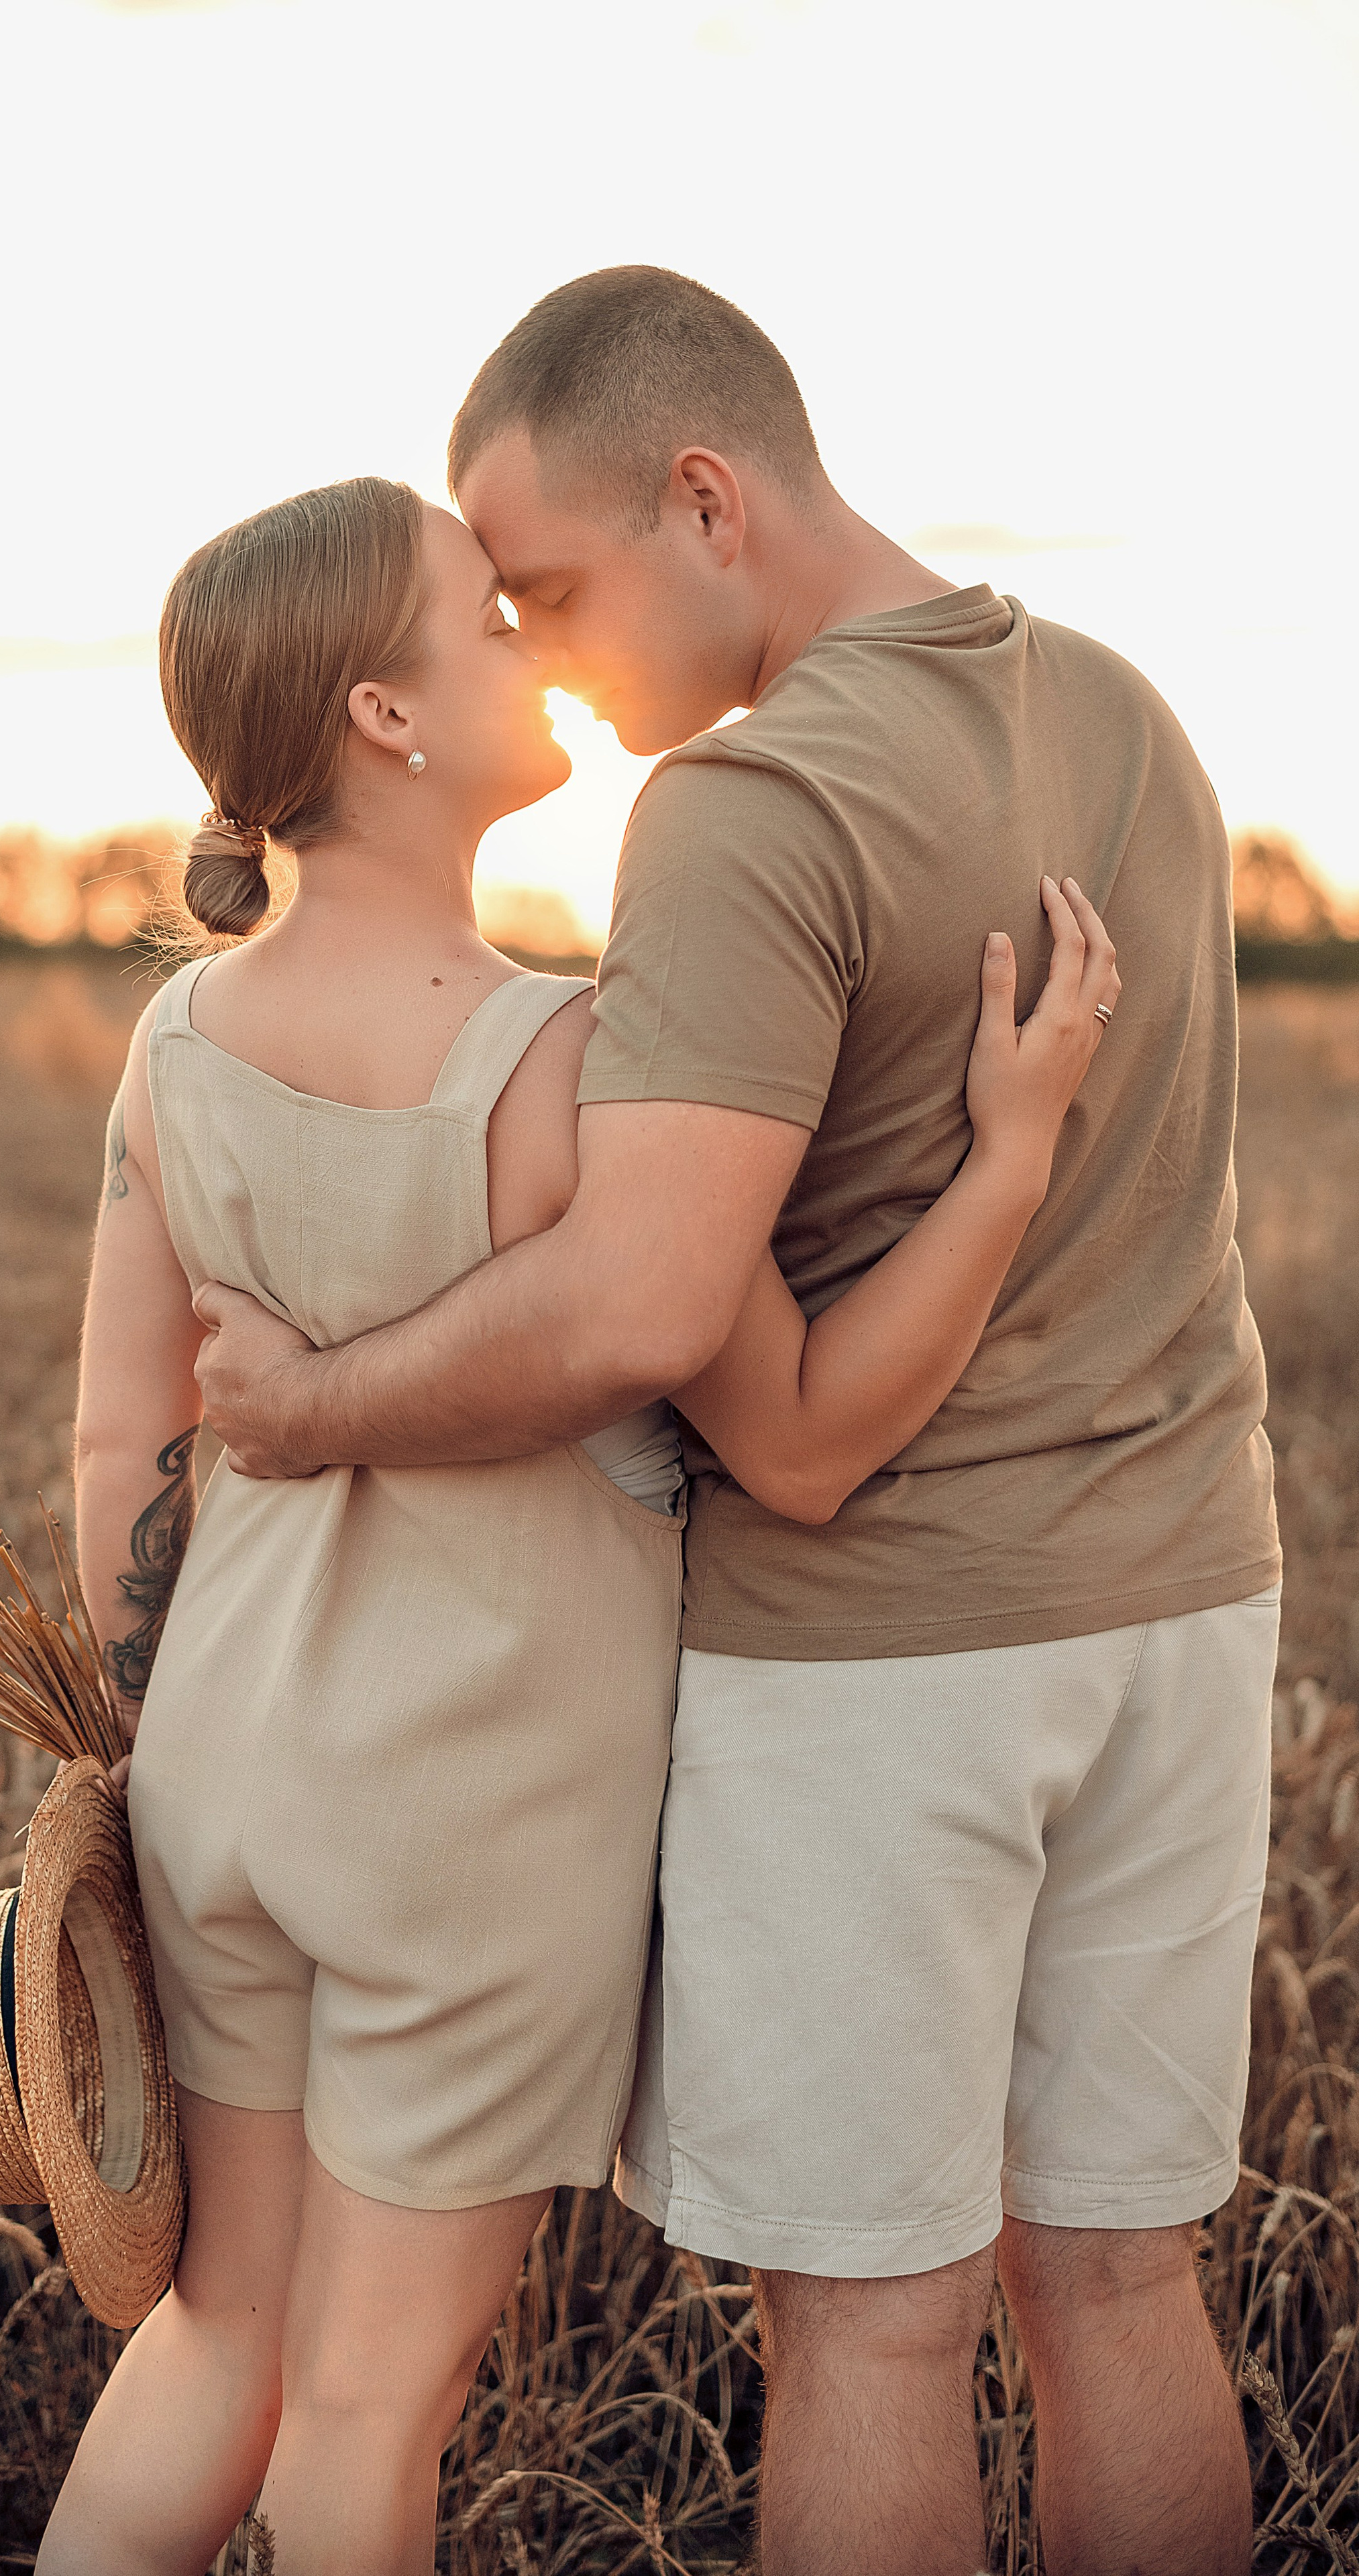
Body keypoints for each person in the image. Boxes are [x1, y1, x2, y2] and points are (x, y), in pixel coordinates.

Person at [190, 271, 1281, 2576]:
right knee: (1124, 2285)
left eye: (554, 588)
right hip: (1187, 1607)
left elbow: (644, 1305)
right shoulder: (1128, 715)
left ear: (707, 499)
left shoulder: (747, 804)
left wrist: (304, 1407)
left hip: (887, 1656)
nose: (543, 651)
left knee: (873, 2331)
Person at [36, 472, 1115, 2576]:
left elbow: (115, 1443)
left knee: (218, 2338)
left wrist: (158, 1723)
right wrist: (1007, 1160)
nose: (535, 644)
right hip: (474, 1813)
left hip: (217, 1777)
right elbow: (795, 1423)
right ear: (385, 716)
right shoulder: (566, 1063)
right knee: (367, 2406)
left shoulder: (174, 1045)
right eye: (485, 618)